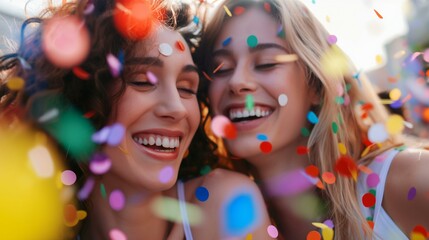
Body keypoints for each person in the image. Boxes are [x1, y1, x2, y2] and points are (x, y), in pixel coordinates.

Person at [0, 0, 273, 239]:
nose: (176, 108)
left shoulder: (227, 204)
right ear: (82, 97)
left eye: (187, 87)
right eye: (143, 81)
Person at [196, 0, 429, 239]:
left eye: (266, 63)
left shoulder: (409, 178)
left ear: (316, 85)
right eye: (220, 68)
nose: (237, 82)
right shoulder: (223, 219)